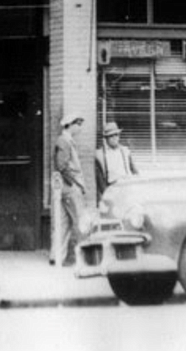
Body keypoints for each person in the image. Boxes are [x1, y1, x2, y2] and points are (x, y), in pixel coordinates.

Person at [52, 113, 87, 267]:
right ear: (70, 125)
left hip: (66, 188)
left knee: (63, 225)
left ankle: (57, 256)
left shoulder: (66, 141)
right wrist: (74, 184)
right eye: (78, 124)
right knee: (80, 222)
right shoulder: (65, 141)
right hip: (70, 188)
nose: (79, 127)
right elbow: (62, 165)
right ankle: (84, 258)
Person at [94, 121, 139, 198]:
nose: (115, 138)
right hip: (112, 188)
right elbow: (100, 179)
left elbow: (134, 171)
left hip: (127, 187)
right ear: (106, 138)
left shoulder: (125, 151)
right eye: (111, 136)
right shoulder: (100, 154)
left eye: (116, 135)